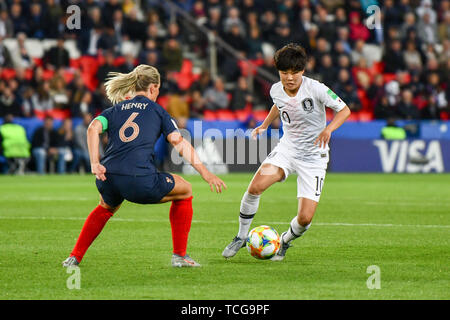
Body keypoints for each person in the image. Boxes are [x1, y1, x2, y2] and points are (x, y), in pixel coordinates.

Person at [62, 65, 226, 268]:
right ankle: (180, 256)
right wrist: (206, 172)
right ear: (153, 88)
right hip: (139, 180)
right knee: (185, 189)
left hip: (108, 177)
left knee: (106, 207)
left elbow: (93, 128)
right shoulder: (158, 111)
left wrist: (95, 163)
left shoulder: (115, 109)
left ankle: (74, 257)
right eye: (158, 90)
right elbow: (178, 141)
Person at [222, 43, 351, 261]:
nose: (289, 78)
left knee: (305, 218)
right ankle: (241, 236)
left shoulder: (316, 88)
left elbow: (344, 110)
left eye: (294, 73)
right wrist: (264, 125)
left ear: (303, 71)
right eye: (284, 73)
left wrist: (328, 129)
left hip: (314, 156)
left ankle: (284, 241)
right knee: (255, 187)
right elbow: (278, 105)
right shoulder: (275, 89)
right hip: (287, 149)